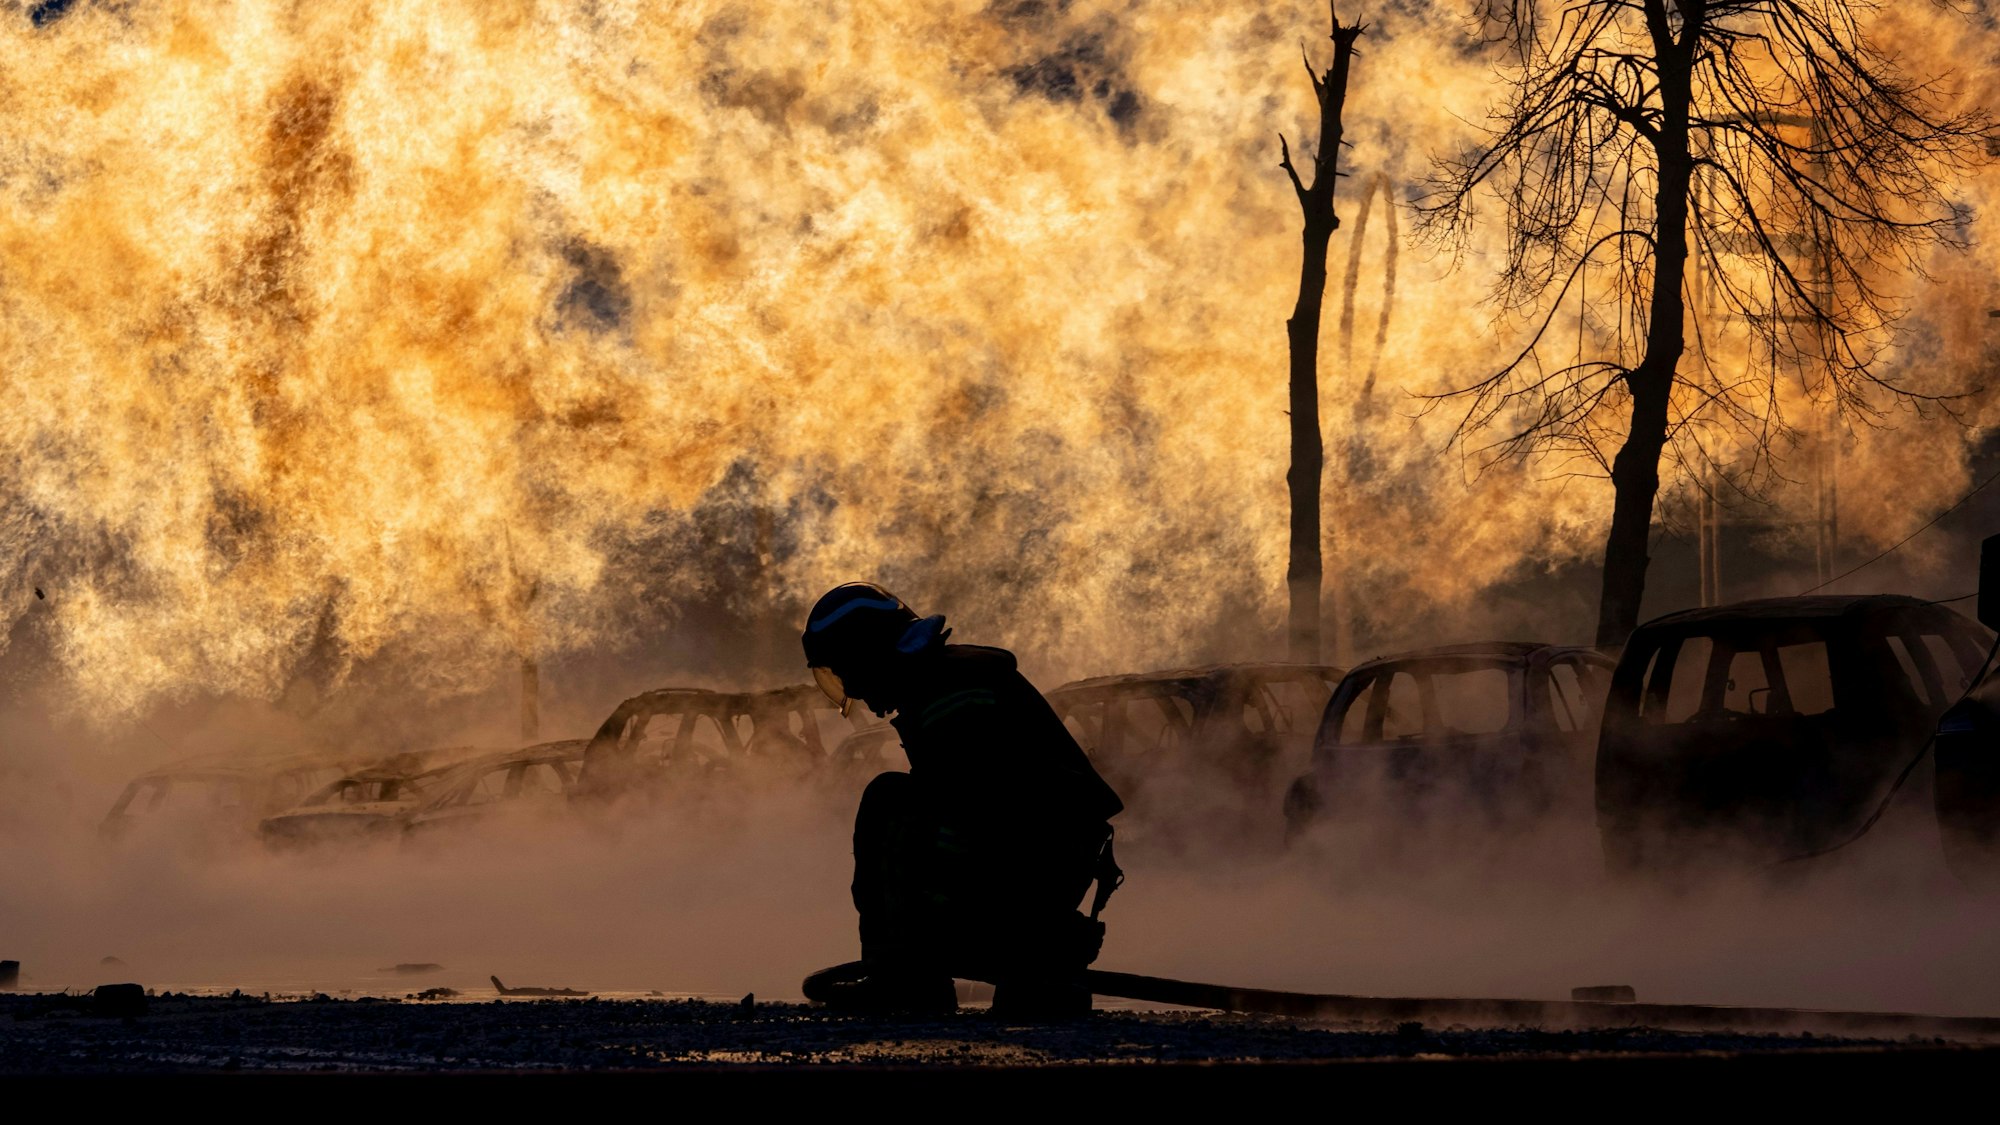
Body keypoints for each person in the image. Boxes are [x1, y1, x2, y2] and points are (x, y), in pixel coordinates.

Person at [799, 582, 1123, 1017]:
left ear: (870, 655)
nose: (858, 695)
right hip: (1043, 870)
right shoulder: (944, 682)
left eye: (848, 674)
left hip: (1035, 866)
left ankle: (908, 981)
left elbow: (976, 818)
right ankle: (1018, 960)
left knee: (888, 800)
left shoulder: (953, 695)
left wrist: (922, 930)